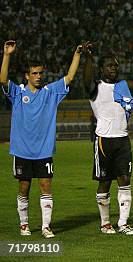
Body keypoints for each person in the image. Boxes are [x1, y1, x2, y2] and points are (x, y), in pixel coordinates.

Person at [1, 40, 84, 238]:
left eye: (40, 73)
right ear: (27, 75)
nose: (38, 77)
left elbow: (70, 77)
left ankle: (46, 226)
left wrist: (77, 55)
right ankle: (24, 224)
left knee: (46, 185)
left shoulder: (50, 92)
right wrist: (6, 55)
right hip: (22, 150)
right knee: (24, 186)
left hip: (44, 150)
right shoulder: (18, 92)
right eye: (35, 73)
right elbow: (3, 80)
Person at [82, 40, 133, 235]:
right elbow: (85, 79)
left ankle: (123, 223)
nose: (113, 68)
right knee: (104, 181)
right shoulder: (95, 87)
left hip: (122, 140)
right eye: (109, 66)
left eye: (115, 65)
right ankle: (105, 223)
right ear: (101, 69)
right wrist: (88, 58)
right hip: (104, 140)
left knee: (125, 179)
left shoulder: (124, 85)